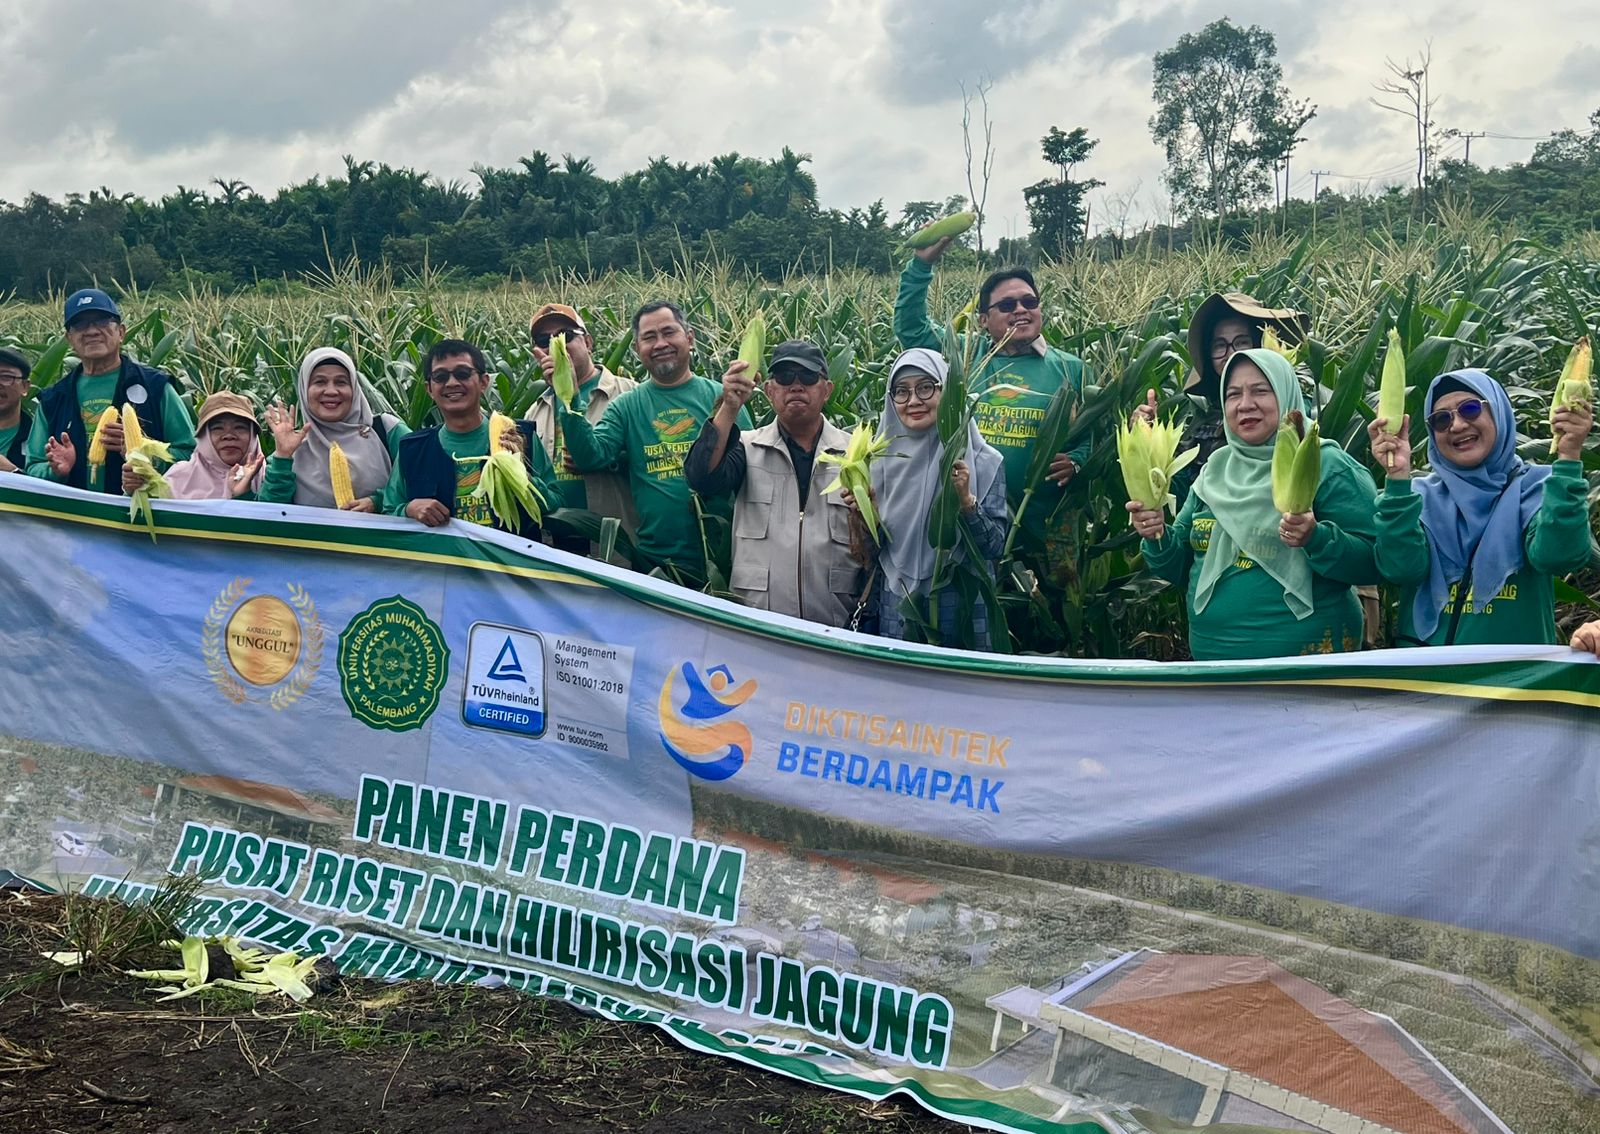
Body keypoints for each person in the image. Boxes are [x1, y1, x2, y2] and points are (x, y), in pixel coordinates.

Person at [1131, 349, 1379, 660]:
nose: (1245, 404)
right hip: (1216, 672)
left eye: (1261, 390)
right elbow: (1179, 568)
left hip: (1308, 670)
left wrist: (1316, 538)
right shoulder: (1213, 472)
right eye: (1233, 394)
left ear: (1286, 392)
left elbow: (1376, 560)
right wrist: (1156, 535)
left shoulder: (1326, 465)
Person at [1367, 369, 1594, 646]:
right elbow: (1401, 569)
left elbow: (1558, 557)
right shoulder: (1417, 497)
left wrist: (1569, 456)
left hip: (1511, 682)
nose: (1458, 425)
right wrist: (1397, 476)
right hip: (1424, 681)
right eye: (1441, 419)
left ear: (1498, 412)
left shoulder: (1540, 488)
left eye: (1471, 409)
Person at [894, 240, 1087, 547]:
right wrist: (921, 265)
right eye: (1007, 305)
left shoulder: (1070, 368)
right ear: (983, 320)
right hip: (973, 521)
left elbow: (1094, 431)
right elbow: (911, 328)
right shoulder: (963, 357)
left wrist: (1078, 460)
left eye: (1030, 302)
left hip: (1048, 528)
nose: (1021, 310)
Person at [557, 302, 751, 580]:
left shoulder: (723, 398)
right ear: (637, 349)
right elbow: (592, 456)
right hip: (657, 565)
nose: (660, 343)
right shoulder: (626, 407)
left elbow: (749, 473)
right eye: (649, 337)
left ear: (690, 338)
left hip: (723, 561)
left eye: (668, 332)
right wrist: (570, 397)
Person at [685, 339, 864, 626]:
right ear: (769, 391)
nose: (796, 386)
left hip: (835, 628)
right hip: (760, 629)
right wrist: (729, 406)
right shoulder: (747, 447)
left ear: (827, 390)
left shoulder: (854, 453)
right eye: (784, 377)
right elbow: (702, 479)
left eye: (807, 377)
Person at [862, 348, 1007, 650]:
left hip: (963, 609)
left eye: (926, 387)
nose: (913, 400)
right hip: (898, 607)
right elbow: (869, 554)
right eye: (901, 392)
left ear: (948, 391)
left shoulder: (983, 461)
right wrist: (863, 515)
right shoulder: (877, 462)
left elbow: (994, 547)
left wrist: (967, 502)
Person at [27, 289, 196, 493]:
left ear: (121, 332)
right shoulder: (52, 399)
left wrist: (144, 451)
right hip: (73, 519)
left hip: (141, 516)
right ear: (69, 339)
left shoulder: (156, 387)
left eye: (101, 321)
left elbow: (191, 455)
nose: (91, 331)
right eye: (80, 324)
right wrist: (55, 470)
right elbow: (33, 467)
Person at [384, 339, 555, 537]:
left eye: (462, 374)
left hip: (512, 564)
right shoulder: (412, 450)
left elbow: (555, 502)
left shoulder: (518, 436)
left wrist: (521, 473)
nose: (452, 383)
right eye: (440, 377)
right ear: (429, 389)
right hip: (443, 566)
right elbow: (389, 512)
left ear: (484, 382)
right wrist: (409, 509)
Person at [522, 303, 639, 556]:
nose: (556, 345)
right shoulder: (535, 411)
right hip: (556, 552)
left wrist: (606, 461)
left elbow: (659, 462)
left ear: (588, 342)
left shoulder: (631, 394)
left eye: (565, 335)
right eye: (545, 340)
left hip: (616, 546)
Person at [1176, 292, 1311, 477]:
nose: (1230, 354)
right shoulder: (1209, 417)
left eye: (1241, 342)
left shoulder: (1293, 410)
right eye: (1219, 345)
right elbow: (1187, 490)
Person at [259, 348, 409, 512]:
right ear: (304, 390)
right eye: (320, 382)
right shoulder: (292, 447)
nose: (331, 391)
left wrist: (378, 502)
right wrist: (282, 457)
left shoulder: (387, 430)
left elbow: (427, 477)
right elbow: (269, 515)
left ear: (354, 388)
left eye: (341, 382)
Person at [133, 391, 265, 501]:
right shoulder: (178, 477)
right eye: (218, 428)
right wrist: (133, 489)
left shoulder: (269, 479)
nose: (229, 435)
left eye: (240, 428)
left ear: (253, 436)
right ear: (203, 437)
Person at [0, 347, 32, 473]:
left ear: (24, 387)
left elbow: (47, 488)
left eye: (6, 377)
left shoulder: (38, 437)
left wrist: (13, 472)